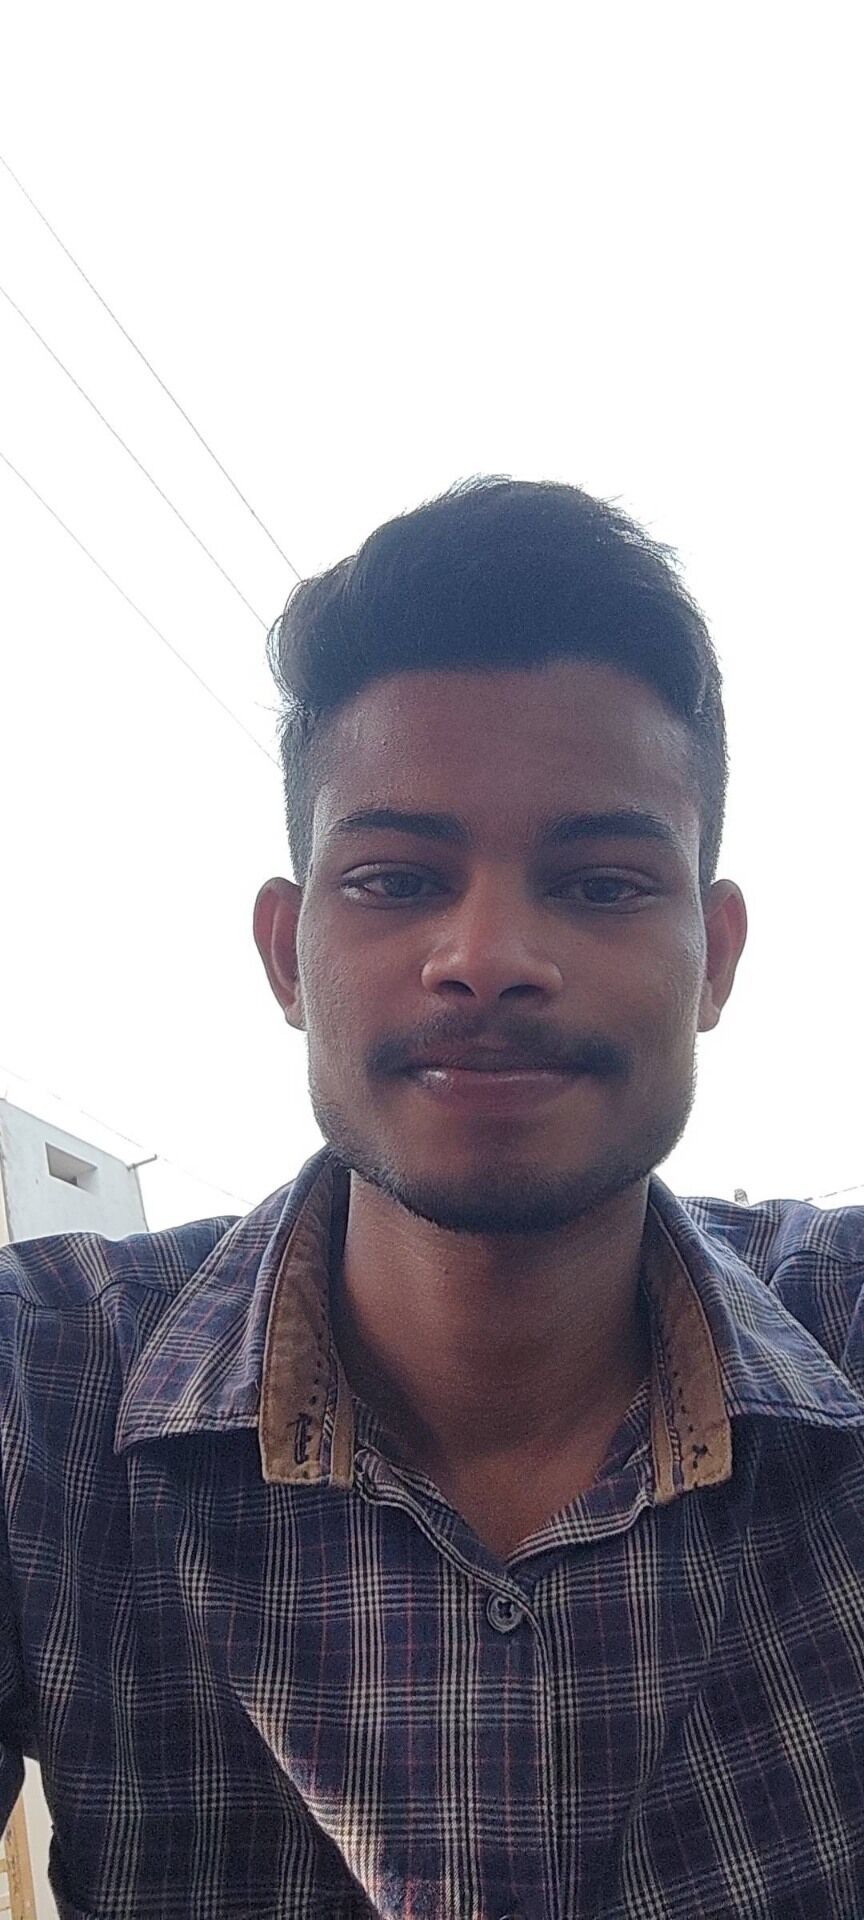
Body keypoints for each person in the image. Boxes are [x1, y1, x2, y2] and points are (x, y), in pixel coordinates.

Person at [1, 478, 862, 1920]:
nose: (489, 955)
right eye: (397, 879)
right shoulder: (45, 1391)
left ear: (715, 957)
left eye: (601, 884)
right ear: (286, 952)